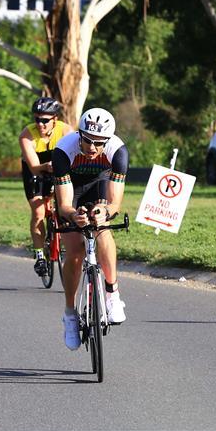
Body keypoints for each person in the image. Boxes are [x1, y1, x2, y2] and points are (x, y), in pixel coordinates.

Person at [51, 107, 129, 350]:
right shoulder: (64, 151)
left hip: (100, 185)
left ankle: (112, 293)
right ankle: (70, 314)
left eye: (99, 143)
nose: (93, 148)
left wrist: (104, 211)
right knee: (75, 251)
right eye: (88, 141)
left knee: (103, 227)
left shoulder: (117, 151)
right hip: (73, 190)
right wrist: (76, 215)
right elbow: (64, 204)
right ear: (79, 134)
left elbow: (115, 203)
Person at [19, 97, 73, 277]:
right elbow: (34, 167)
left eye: (45, 120)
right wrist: (46, 167)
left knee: (66, 208)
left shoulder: (66, 131)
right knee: (39, 212)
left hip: (59, 168)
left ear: (55, 119)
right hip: (35, 171)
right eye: (37, 119)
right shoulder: (27, 135)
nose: (40, 124)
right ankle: (40, 255)